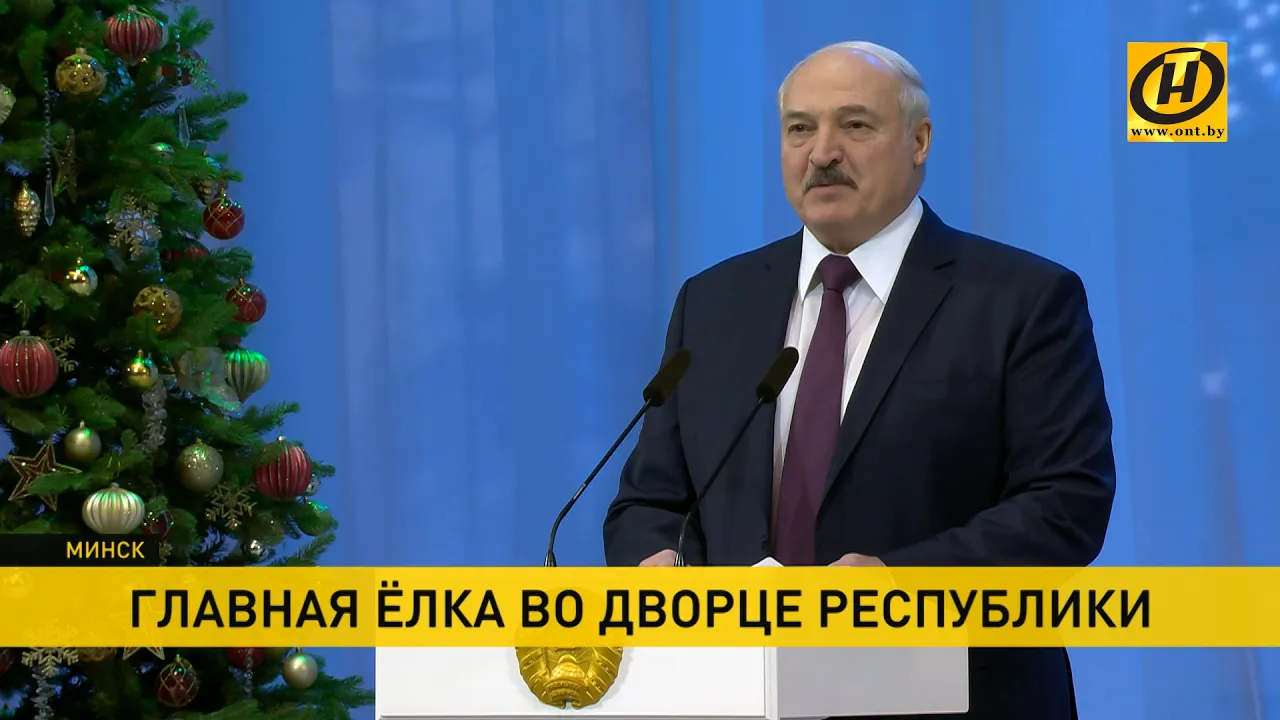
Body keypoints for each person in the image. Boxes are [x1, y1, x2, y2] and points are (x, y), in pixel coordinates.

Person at [602, 41, 1116, 720]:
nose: (822, 153)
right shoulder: (714, 301)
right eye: (800, 129)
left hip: (950, 696)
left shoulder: (1021, 298)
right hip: (738, 694)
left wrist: (897, 584)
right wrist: (656, 563)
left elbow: (1065, 503)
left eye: (854, 125)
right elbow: (650, 501)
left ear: (919, 141)